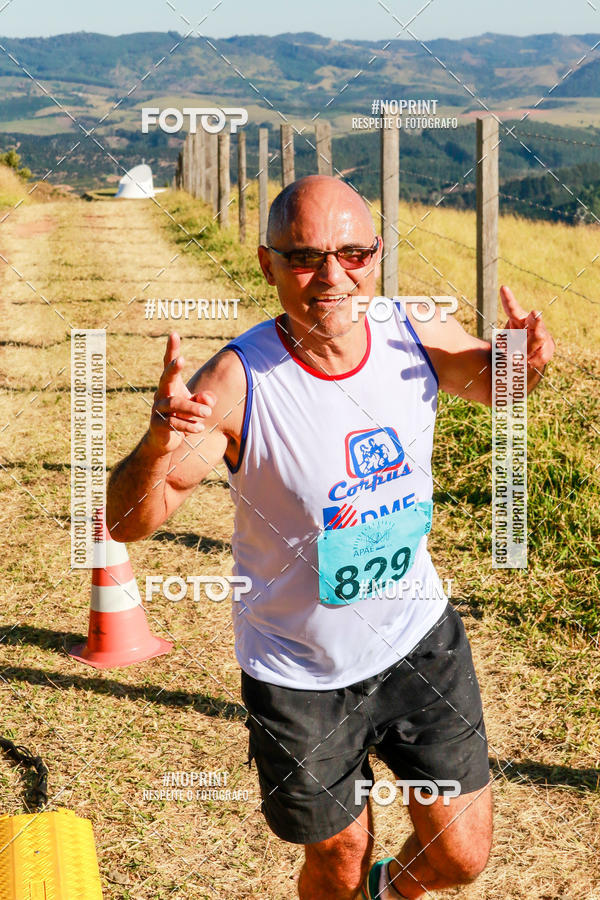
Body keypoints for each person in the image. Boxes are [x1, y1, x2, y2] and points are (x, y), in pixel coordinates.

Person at [106, 175, 555, 899]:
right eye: (307, 257)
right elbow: (129, 524)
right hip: (299, 674)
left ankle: (389, 892)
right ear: (268, 264)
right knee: (337, 859)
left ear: (377, 254)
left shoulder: (412, 330)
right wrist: (159, 441)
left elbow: (491, 381)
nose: (334, 276)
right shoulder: (239, 381)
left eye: (354, 252)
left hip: (418, 642)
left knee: (460, 860)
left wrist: (521, 366)